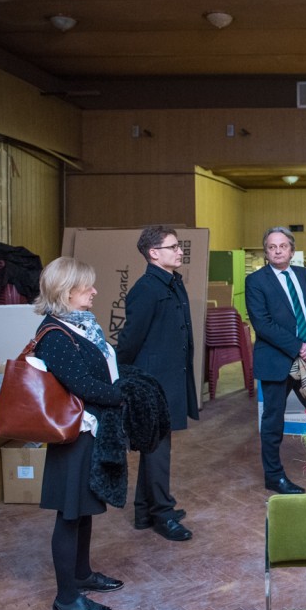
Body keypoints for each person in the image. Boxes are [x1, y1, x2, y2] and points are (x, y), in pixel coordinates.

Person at [33, 257, 124, 610]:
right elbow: (82, 385)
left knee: (83, 508)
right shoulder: (55, 335)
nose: (95, 291)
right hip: (74, 435)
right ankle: (66, 598)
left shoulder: (79, 324)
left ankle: (82, 574)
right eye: (88, 286)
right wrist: (124, 395)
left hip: (90, 429)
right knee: (69, 514)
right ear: (66, 291)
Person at [116, 226, 196, 542]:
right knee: (157, 450)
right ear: (153, 253)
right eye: (173, 247)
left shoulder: (172, 282)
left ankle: (143, 512)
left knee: (155, 448)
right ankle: (162, 514)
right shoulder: (146, 289)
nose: (179, 251)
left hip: (169, 378)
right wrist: (124, 376)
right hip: (153, 382)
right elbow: (130, 339)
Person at [245, 226, 306, 494]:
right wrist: (300, 346)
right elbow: (263, 324)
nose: (277, 251)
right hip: (277, 361)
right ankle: (274, 476)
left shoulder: (304, 275)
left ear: (292, 250)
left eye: (282, 246)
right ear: (266, 253)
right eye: (272, 247)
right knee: (273, 422)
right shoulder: (256, 281)